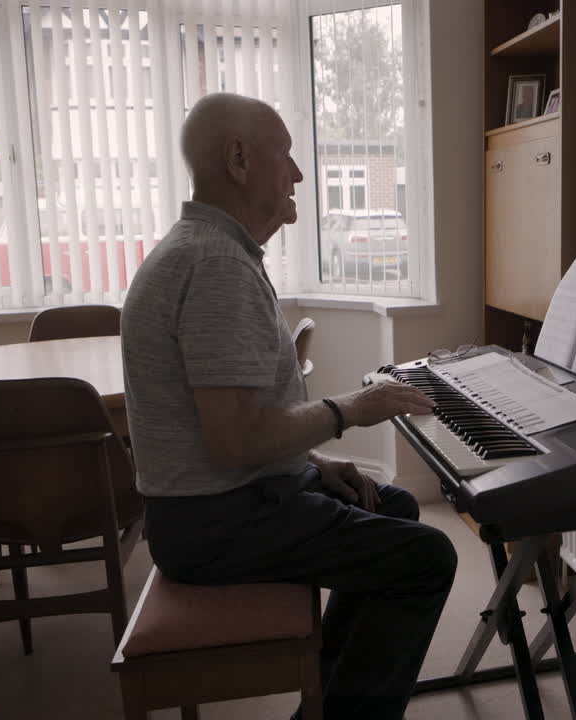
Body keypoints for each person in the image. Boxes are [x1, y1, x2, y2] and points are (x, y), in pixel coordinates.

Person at [120, 92, 453, 720]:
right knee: (428, 559)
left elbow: (226, 434)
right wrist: (353, 407)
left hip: (211, 506)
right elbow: (237, 441)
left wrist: (310, 463)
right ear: (240, 159)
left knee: (395, 504)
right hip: (213, 525)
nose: (298, 175)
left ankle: (328, 698)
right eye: (287, 156)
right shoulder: (216, 266)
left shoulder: (204, 250)